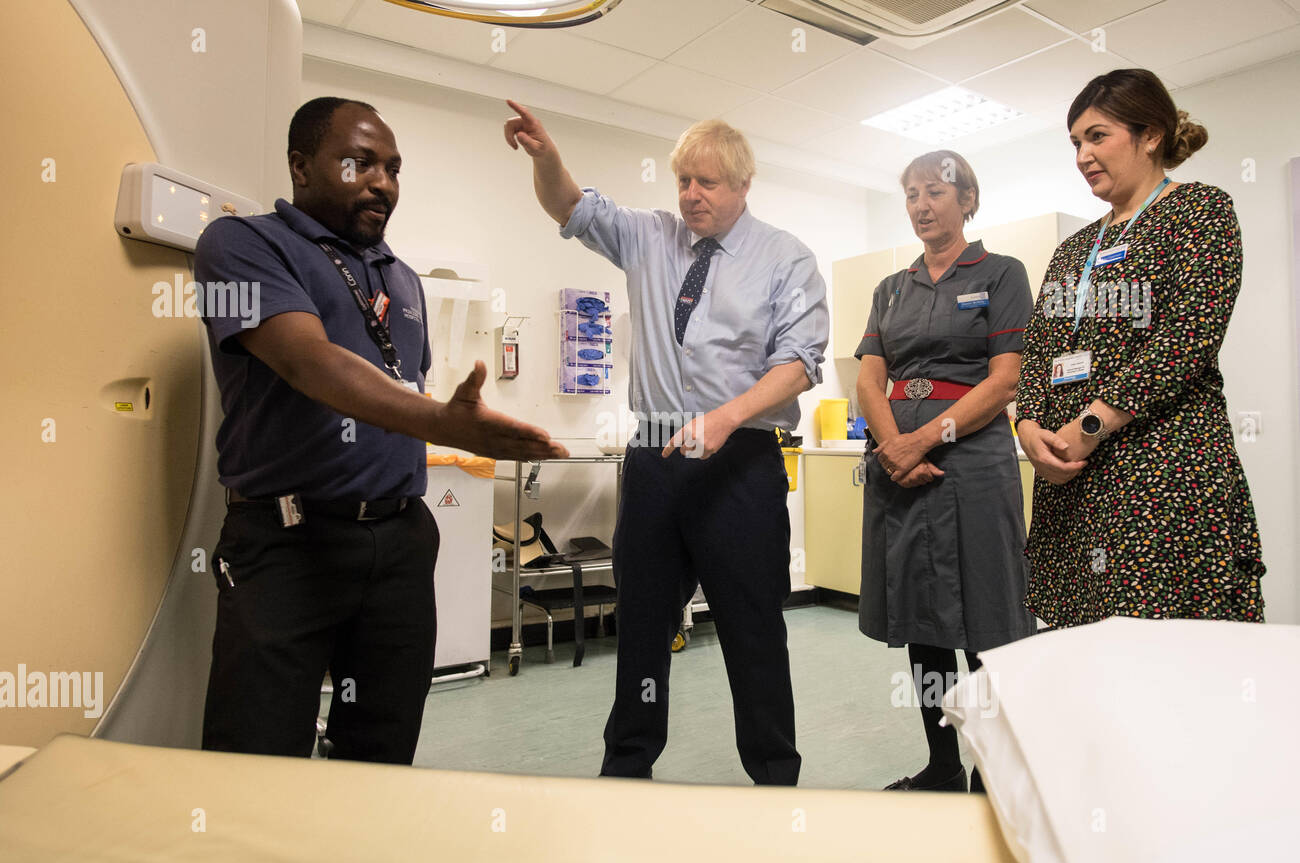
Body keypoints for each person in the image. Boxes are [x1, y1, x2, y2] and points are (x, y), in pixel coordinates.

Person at [195, 97, 565, 764]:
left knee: (381, 751)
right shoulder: (240, 245)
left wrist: (444, 423)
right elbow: (309, 360)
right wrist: (443, 423)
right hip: (288, 545)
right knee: (254, 760)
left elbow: (400, 383)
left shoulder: (402, 278)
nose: (382, 182)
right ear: (301, 165)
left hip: (397, 541)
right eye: (359, 162)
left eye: (393, 168)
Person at [504, 100, 828, 785]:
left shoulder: (785, 258)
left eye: (707, 183)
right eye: (683, 180)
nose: (691, 195)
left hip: (739, 464)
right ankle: (626, 771)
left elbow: (799, 362)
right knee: (643, 626)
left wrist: (725, 418)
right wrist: (545, 159)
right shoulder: (649, 237)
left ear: (742, 186)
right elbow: (570, 207)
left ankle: (775, 778)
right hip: (653, 460)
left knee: (752, 630)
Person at [1015, 69, 1265, 625]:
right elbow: (1038, 352)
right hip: (1069, 479)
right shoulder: (1074, 249)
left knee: (1168, 656)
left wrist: (1089, 428)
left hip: (1158, 472)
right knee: (1084, 651)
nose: (1082, 155)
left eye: (1097, 136)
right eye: (1076, 142)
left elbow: (1188, 337)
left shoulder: (1199, 212)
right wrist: (1029, 429)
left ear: (1150, 134)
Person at [855, 150, 1036, 792]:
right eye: (910, 194)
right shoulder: (891, 289)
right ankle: (940, 765)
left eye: (934, 191)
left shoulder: (1002, 272)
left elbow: (1005, 380)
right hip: (899, 472)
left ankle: (994, 775)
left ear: (968, 200)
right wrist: (893, 446)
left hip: (973, 469)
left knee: (989, 621)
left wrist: (925, 439)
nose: (921, 205)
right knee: (921, 619)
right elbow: (869, 378)